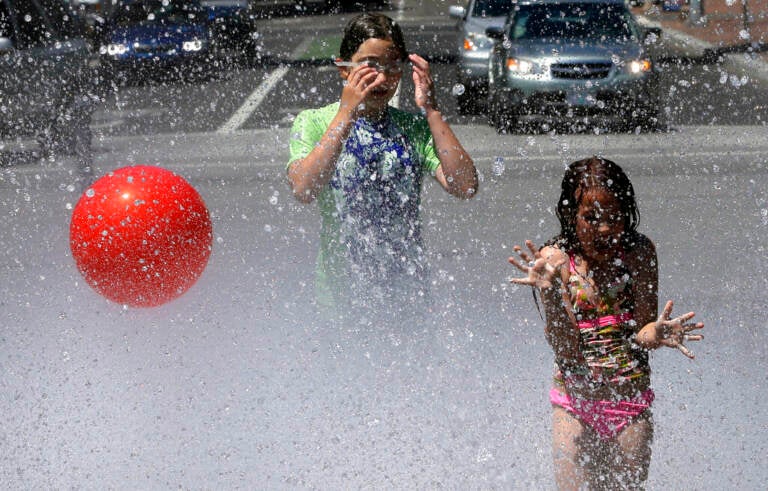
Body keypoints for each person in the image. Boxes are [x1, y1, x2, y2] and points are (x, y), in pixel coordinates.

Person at [507, 157, 704, 489]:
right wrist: (551, 293)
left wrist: (655, 332)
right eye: (591, 218)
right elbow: (566, 347)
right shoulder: (555, 261)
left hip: (629, 404)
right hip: (575, 404)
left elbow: (640, 332)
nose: (604, 229)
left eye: (615, 218)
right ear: (572, 215)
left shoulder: (639, 252)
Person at [287, 13, 478, 322]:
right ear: (342, 68)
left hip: (408, 295)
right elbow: (304, 188)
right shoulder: (315, 122)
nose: (381, 77)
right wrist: (348, 111)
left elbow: (465, 186)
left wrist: (431, 109)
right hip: (340, 301)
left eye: (391, 67)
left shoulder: (412, 128)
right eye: (370, 65)